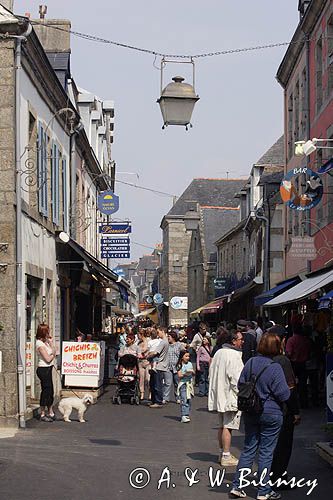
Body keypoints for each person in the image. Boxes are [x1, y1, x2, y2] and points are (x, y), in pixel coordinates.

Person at [230, 333, 291, 500]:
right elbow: (284, 394)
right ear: (276, 347)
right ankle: (263, 490)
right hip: (271, 412)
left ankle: (237, 486)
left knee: (249, 448)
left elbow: (240, 383)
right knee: (266, 452)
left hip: (250, 410)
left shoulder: (250, 362)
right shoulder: (275, 367)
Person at [268, 325, 301, 489]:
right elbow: (290, 389)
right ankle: (278, 478)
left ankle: (271, 475)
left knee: (268, 446)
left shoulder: (260, 358)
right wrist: (296, 412)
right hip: (282, 410)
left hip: (264, 409)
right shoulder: (282, 360)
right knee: (283, 445)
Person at [208, 330, 244, 466]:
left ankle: (222, 452)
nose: (242, 341)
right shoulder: (234, 355)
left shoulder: (218, 352)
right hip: (229, 396)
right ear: (233, 341)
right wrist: (240, 393)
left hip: (220, 395)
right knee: (228, 426)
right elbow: (237, 379)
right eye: (240, 339)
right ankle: (226, 455)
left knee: (222, 425)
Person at [285, 324, 311, 408]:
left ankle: (294, 403)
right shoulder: (306, 340)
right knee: (303, 384)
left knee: (292, 384)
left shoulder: (291, 340)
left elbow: (289, 352)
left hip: (294, 363)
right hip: (303, 363)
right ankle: (304, 402)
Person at [36, 324, 57, 422]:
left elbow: (55, 351)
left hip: (49, 369)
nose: (49, 333)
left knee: (51, 391)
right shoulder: (39, 344)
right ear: (43, 332)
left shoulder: (46, 343)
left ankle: (50, 411)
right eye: (47, 331)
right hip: (43, 369)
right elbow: (48, 359)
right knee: (45, 391)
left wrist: (51, 343)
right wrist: (53, 355)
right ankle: (42, 413)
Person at [146, 327, 169, 408]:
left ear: (163, 331)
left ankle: (158, 401)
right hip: (158, 365)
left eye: (158, 332)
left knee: (157, 384)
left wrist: (148, 355)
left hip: (159, 366)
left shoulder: (163, 342)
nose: (157, 334)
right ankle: (154, 400)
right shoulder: (164, 342)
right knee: (153, 383)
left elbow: (155, 352)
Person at [163, 331, 185, 404]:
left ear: (173, 337)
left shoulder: (179, 345)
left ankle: (178, 397)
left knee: (177, 383)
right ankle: (165, 398)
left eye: (169, 337)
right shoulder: (166, 345)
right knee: (167, 383)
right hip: (168, 366)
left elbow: (184, 352)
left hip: (177, 366)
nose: (168, 338)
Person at [176, 350, 194, 423]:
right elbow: (179, 375)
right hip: (183, 384)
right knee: (184, 399)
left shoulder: (190, 364)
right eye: (186, 356)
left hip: (189, 384)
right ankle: (184, 415)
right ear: (182, 357)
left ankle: (187, 414)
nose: (187, 358)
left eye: (188, 356)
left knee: (189, 400)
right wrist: (185, 373)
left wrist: (192, 372)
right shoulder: (179, 365)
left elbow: (193, 373)